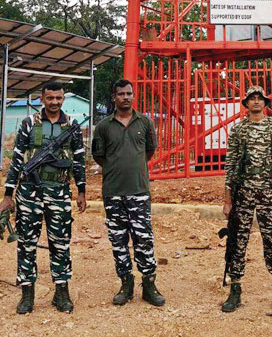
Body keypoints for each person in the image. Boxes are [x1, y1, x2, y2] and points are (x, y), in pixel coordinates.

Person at [0, 81, 86, 314]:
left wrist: (81, 191)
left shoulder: (72, 126)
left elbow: (78, 161)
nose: (55, 102)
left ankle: (61, 292)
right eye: (50, 98)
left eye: (59, 98)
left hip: (58, 192)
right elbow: (17, 159)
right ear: (42, 99)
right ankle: (27, 294)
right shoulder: (29, 124)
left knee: (60, 242)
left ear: (63, 99)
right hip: (29, 193)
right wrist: (8, 195)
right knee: (26, 243)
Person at [221, 85, 272, 313]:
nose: (256, 102)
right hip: (242, 193)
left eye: (259, 99)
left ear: (265, 103)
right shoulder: (238, 130)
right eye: (251, 99)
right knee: (238, 241)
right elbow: (231, 165)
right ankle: (235, 289)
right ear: (246, 104)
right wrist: (227, 199)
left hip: (267, 192)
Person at [91, 79, 165, 307]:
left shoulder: (145, 122)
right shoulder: (103, 126)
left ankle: (149, 285)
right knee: (118, 240)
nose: (125, 97)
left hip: (139, 191)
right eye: (121, 93)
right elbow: (98, 156)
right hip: (113, 192)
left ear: (133, 96)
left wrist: (133, 167)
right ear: (114, 96)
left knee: (144, 239)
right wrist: (117, 168)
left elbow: (149, 151)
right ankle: (125, 283)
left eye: (129, 93)